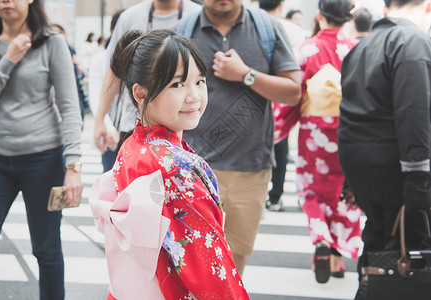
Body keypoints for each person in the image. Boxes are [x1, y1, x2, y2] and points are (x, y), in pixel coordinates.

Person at [89, 29, 250, 300]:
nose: (194, 96)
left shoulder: (132, 146)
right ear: (140, 93)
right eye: (177, 84)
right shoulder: (175, 169)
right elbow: (209, 267)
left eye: (199, 81)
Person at [178, 0, 302, 276]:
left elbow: (293, 91)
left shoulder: (267, 28)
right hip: (192, 169)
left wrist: (246, 75)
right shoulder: (183, 31)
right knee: (190, 260)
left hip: (251, 168)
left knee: (235, 260)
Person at [0, 0, 83, 299]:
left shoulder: (51, 42)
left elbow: (69, 105)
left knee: (47, 249)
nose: (6, 1)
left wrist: (73, 164)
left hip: (44, 159)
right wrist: (8, 59)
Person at [338, 0, 431, 291]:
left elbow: (348, 114)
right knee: (409, 262)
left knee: (381, 250)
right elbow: (414, 116)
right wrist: (419, 185)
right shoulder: (413, 42)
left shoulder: (360, 47)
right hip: (401, 175)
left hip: (366, 174)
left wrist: (350, 182)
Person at [278, 0, 362, 284]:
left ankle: (321, 241)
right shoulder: (358, 49)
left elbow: (292, 96)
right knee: (346, 190)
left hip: (315, 133)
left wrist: (277, 130)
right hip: (351, 130)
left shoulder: (306, 49)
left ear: (321, 16)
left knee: (311, 190)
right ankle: (337, 258)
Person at [93, 0, 201, 159]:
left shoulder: (198, 15)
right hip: (135, 125)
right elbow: (115, 70)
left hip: (188, 126)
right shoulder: (129, 17)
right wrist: (100, 119)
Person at [258, 0, 305, 212]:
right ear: (282, 4)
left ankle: (260, 193)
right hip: (282, 97)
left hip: (254, 96)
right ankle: (276, 196)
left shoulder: (251, 25)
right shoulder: (294, 32)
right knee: (281, 147)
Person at [88, 10, 124, 172]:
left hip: (139, 132)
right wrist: (108, 128)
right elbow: (95, 95)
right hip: (111, 132)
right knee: (111, 181)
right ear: (112, 32)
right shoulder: (100, 59)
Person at [51, 23, 90, 121]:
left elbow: (80, 74)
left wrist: (77, 66)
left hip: (73, 95)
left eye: (60, 33)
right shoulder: (44, 53)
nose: (57, 36)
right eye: (53, 33)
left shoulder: (71, 50)